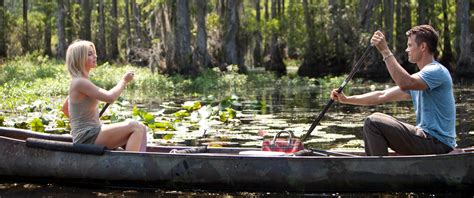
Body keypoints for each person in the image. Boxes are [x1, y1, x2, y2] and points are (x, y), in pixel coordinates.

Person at [330, 25, 456, 156]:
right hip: (427, 140)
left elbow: (405, 83)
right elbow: (381, 95)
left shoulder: (436, 71)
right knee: (376, 119)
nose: (407, 50)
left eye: (410, 45)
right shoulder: (419, 80)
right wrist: (346, 99)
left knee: (373, 122)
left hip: (438, 144)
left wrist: (385, 51)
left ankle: (378, 171)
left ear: (423, 47)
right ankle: (378, 165)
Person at [62, 40, 147, 152]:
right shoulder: (80, 82)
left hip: (92, 133)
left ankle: (140, 162)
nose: (95, 56)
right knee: (136, 127)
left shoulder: (79, 81)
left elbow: (65, 108)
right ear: (79, 58)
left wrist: (89, 120)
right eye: (90, 54)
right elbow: (110, 97)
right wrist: (124, 81)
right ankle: (130, 165)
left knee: (142, 129)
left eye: (94, 53)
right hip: (86, 138)